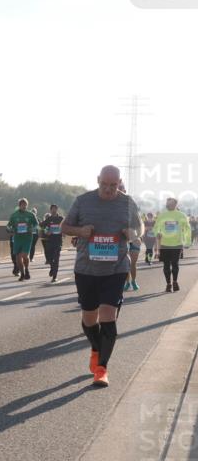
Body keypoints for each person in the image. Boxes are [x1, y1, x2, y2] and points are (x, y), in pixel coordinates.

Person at [61, 165, 141, 387]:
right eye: (104, 185)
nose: (108, 190)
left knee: (108, 316)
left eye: (113, 186)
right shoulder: (83, 201)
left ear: (119, 182)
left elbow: (139, 228)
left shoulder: (127, 203)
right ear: (98, 180)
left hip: (115, 269)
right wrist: (80, 231)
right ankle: (96, 349)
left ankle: (102, 369)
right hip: (86, 269)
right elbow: (64, 226)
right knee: (89, 318)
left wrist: (132, 233)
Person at [153, 197, 193, 292]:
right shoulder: (162, 215)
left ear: (175, 204)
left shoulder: (181, 215)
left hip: (177, 244)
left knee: (175, 264)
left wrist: (187, 241)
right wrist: (157, 233)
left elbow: (187, 229)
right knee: (166, 265)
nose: (168, 205)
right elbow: (156, 228)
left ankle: (174, 281)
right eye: (167, 203)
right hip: (164, 244)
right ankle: (168, 284)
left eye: (170, 203)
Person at [6, 199, 38, 281]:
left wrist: (32, 229)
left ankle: (27, 269)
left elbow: (36, 224)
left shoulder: (31, 215)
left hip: (27, 238)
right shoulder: (14, 215)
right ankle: (22, 273)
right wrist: (9, 230)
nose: (24, 206)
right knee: (17, 258)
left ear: (27, 205)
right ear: (19, 205)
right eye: (22, 204)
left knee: (24, 255)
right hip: (17, 238)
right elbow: (8, 225)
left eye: (25, 204)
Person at [119, 184, 141, 292]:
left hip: (134, 237)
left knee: (133, 262)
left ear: (124, 190)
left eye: (120, 189)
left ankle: (133, 281)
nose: (118, 190)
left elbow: (138, 223)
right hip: (121, 239)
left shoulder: (130, 203)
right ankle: (127, 282)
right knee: (126, 262)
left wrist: (137, 236)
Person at [39, 204, 64, 282]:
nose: (54, 210)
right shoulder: (49, 219)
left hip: (58, 241)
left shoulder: (61, 219)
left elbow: (66, 226)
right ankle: (52, 268)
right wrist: (47, 231)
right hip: (50, 241)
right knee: (50, 259)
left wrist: (64, 232)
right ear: (50, 210)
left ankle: (54, 276)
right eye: (52, 209)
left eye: (55, 209)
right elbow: (41, 226)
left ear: (57, 209)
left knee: (56, 259)